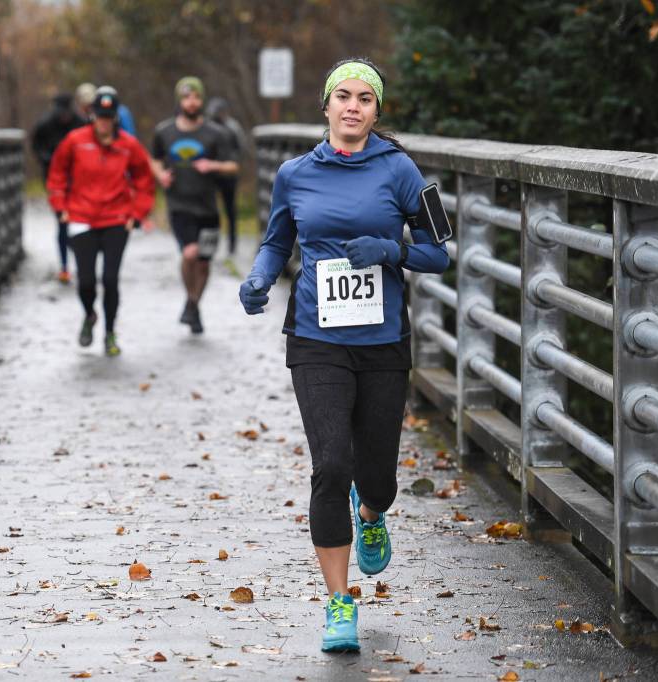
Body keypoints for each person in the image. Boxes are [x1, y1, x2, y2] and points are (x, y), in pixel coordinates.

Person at [238, 58, 449, 653]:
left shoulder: (403, 171)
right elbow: (278, 239)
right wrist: (258, 278)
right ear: (326, 107)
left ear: (377, 111)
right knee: (332, 465)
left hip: (382, 341)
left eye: (364, 98)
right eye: (342, 97)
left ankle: (374, 511)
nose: (353, 106)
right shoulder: (294, 174)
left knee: (375, 475)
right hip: (316, 338)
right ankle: (338, 603)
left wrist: (389, 249)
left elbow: (440, 254)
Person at [47, 86, 155, 357]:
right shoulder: (74, 141)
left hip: (116, 219)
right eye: (100, 116)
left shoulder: (128, 145)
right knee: (85, 281)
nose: (104, 122)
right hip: (81, 217)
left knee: (110, 279)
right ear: (91, 115)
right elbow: (57, 173)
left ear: (116, 117)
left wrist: (137, 214)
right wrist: (60, 207)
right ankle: (89, 315)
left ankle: (109, 332)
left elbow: (144, 179)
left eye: (109, 117)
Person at [151, 76, 238, 334]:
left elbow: (233, 166)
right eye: (187, 97)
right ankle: (192, 303)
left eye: (196, 97)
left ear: (202, 100)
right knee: (190, 253)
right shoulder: (164, 131)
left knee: (203, 262)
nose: (192, 102)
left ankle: (193, 305)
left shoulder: (216, 133)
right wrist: (160, 175)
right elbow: (154, 159)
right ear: (179, 100)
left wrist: (213, 165)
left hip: (208, 207)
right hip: (179, 205)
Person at [31, 93, 86, 283]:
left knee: (79, 221)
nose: (64, 116)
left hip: (78, 181)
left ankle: (82, 259)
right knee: (62, 222)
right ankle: (64, 266)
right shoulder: (45, 124)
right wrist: (47, 159)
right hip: (55, 180)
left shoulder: (81, 122)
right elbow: (36, 145)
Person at [206, 97, 246, 255]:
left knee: (230, 210)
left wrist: (233, 163)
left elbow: (241, 147)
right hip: (211, 175)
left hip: (228, 174)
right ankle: (213, 243)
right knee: (211, 210)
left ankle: (232, 243)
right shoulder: (209, 127)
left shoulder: (233, 127)